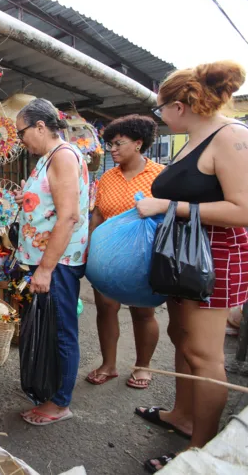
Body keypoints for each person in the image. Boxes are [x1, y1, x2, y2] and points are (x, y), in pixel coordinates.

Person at [134, 60, 248, 473]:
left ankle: (198, 452)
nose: (160, 118)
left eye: (160, 110)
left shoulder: (232, 136)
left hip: (216, 257)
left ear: (180, 105)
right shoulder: (192, 139)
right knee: (182, 339)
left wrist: (168, 206)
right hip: (183, 255)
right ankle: (181, 415)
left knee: (205, 355)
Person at [14, 98, 90, 426]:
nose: (21, 140)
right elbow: (49, 204)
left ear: (41, 126)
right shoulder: (48, 158)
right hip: (48, 261)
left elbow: (69, 215)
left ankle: (60, 403)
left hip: (57, 263)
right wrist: (26, 198)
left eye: (22, 133)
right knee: (52, 329)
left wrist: (45, 269)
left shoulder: (62, 157)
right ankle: (51, 391)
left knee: (61, 331)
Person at [86, 115, 164, 389]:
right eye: (109, 144)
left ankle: (143, 366)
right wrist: (90, 248)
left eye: (118, 143)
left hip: (144, 259)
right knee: (106, 310)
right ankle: (109, 365)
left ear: (139, 143)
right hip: (108, 257)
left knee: (143, 313)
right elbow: (97, 214)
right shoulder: (108, 177)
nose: (112, 149)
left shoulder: (159, 175)